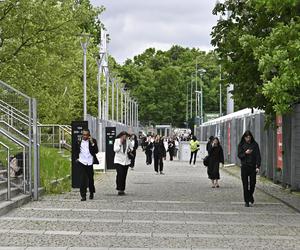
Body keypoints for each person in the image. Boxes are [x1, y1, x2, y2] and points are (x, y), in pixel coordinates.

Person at [238, 130, 261, 207]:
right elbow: (239, 155)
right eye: (247, 137)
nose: (248, 139)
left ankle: (250, 195)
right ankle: (246, 201)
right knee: (245, 185)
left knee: (252, 183)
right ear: (244, 138)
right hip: (244, 166)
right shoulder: (241, 145)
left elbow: (258, 156)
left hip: (252, 167)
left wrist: (258, 166)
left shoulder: (255, 145)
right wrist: (245, 153)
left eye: (249, 137)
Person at [75, 129, 99, 201]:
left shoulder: (93, 141)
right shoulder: (78, 141)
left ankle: (91, 192)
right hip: (82, 162)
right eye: (84, 135)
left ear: (89, 135)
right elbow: (75, 150)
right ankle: (83, 195)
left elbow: (96, 151)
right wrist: (76, 158)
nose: (85, 136)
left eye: (86, 135)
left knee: (90, 179)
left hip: (90, 162)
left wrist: (92, 143)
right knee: (83, 179)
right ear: (82, 135)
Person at [114, 131, 133, 195]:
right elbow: (115, 150)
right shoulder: (117, 141)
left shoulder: (128, 141)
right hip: (118, 160)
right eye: (124, 136)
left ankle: (122, 189)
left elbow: (132, 148)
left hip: (126, 161)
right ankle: (119, 188)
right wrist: (120, 144)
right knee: (120, 174)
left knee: (124, 175)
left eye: (126, 136)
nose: (125, 137)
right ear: (121, 136)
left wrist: (130, 150)